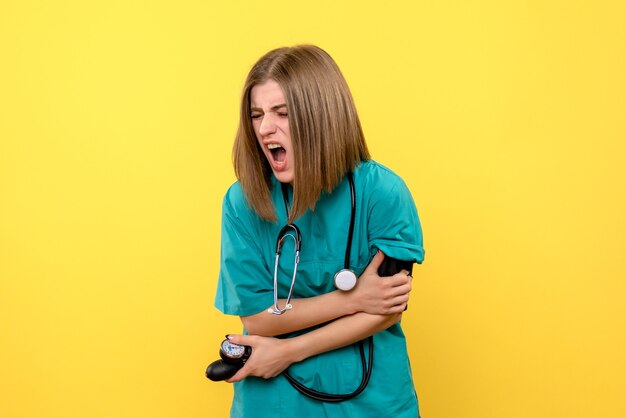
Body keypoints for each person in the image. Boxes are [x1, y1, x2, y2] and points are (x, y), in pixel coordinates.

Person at [214, 45, 425, 417]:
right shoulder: (242, 202)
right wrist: (355, 299)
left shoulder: (383, 193)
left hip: (373, 402)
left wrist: (287, 351)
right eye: (257, 115)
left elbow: (387, 309)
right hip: (274, 402)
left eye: (282, 113)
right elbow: (258, 318)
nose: (265, 128)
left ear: (322, 115)